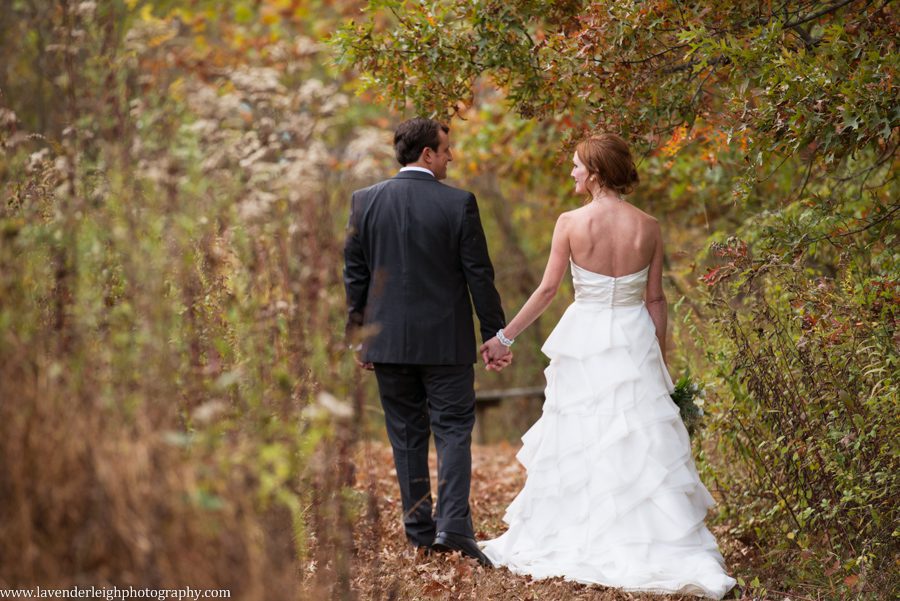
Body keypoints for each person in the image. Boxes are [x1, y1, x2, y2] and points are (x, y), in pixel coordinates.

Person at [478, 134, 737, 599]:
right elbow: (656, 299)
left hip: (587, 337)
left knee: (582, 436)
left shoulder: (571, 223)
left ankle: (583, 531)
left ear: (595, 173)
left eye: (577, 166)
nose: (573, 173)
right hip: (635, 337)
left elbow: (546, 292)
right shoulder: (649, 226)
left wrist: (503, 336)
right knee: (639, 437)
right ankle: (647, 536)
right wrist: (659, 361)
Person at [343, 118, 511, 567]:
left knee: (405, 436)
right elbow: (479, 275)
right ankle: (453, 528)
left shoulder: (364, 202)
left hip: (388, 344)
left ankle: (419, 534)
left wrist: (358, 337)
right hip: (445, 345)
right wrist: (494, 334)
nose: (451, 156)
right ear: (427, 154)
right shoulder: (458, 205)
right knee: (454, 431)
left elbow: (355, 277)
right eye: (446, 148)